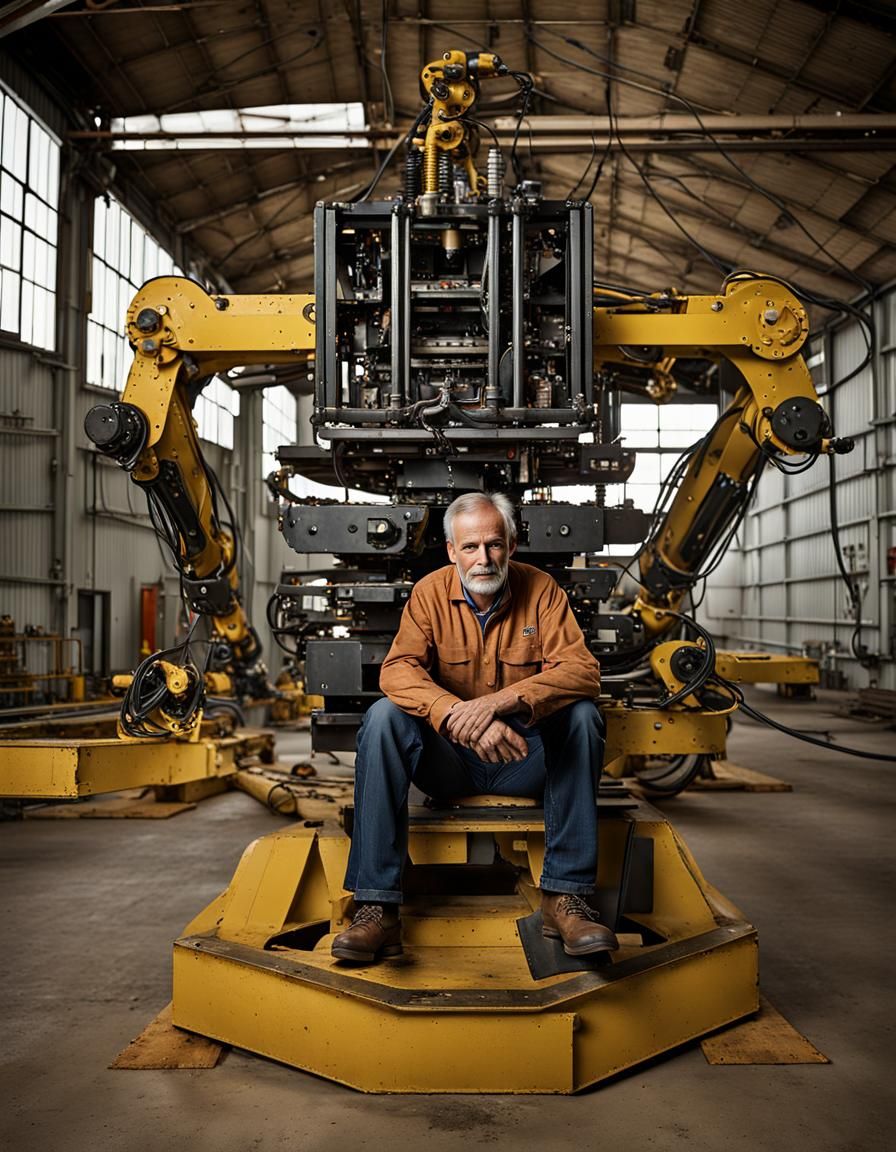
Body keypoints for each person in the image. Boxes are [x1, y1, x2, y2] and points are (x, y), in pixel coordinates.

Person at [332, 491, 618, 963]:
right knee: (383, 717)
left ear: (511, 545)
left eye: (494, 545)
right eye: (470, 547)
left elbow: (582, 671)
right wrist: (455, 716)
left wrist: (499, 703)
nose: (483, 559)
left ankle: (563, 899)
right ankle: (376, 907)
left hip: (524, 759)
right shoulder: (429, 594)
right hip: (450, 764)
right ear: (451, 551)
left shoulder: (542, 591)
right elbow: (397, 671)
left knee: (584, 716)